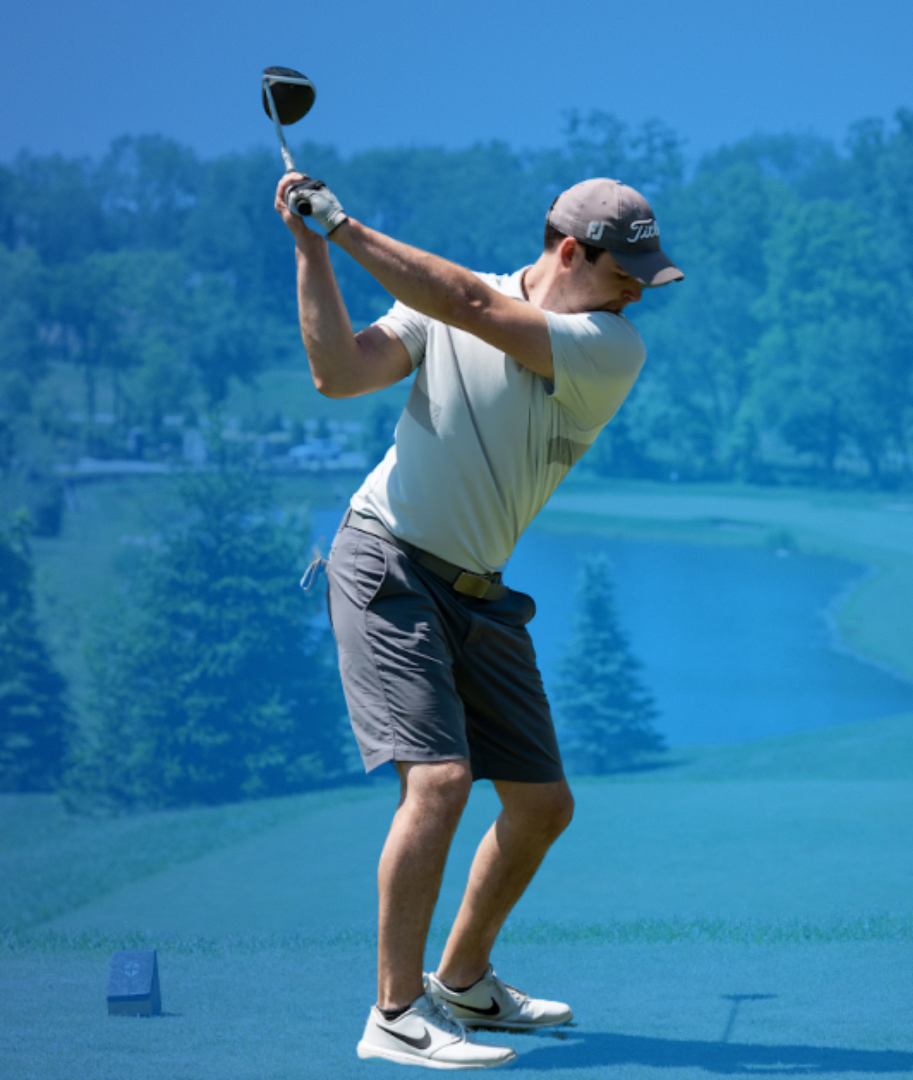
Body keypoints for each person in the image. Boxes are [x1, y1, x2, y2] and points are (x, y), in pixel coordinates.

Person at [275, 170, 682, 1069]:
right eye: (627, 274)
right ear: (571, 252)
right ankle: (394, 1014)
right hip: (386, 559)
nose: (638, 294)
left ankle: (462, 980)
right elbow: (339, 374)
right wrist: (313, 249)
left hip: (478, 589)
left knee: (542, 804)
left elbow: (467, 303)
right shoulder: (446, 305)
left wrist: (342, 225)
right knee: (440, 782)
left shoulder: (609, 346)